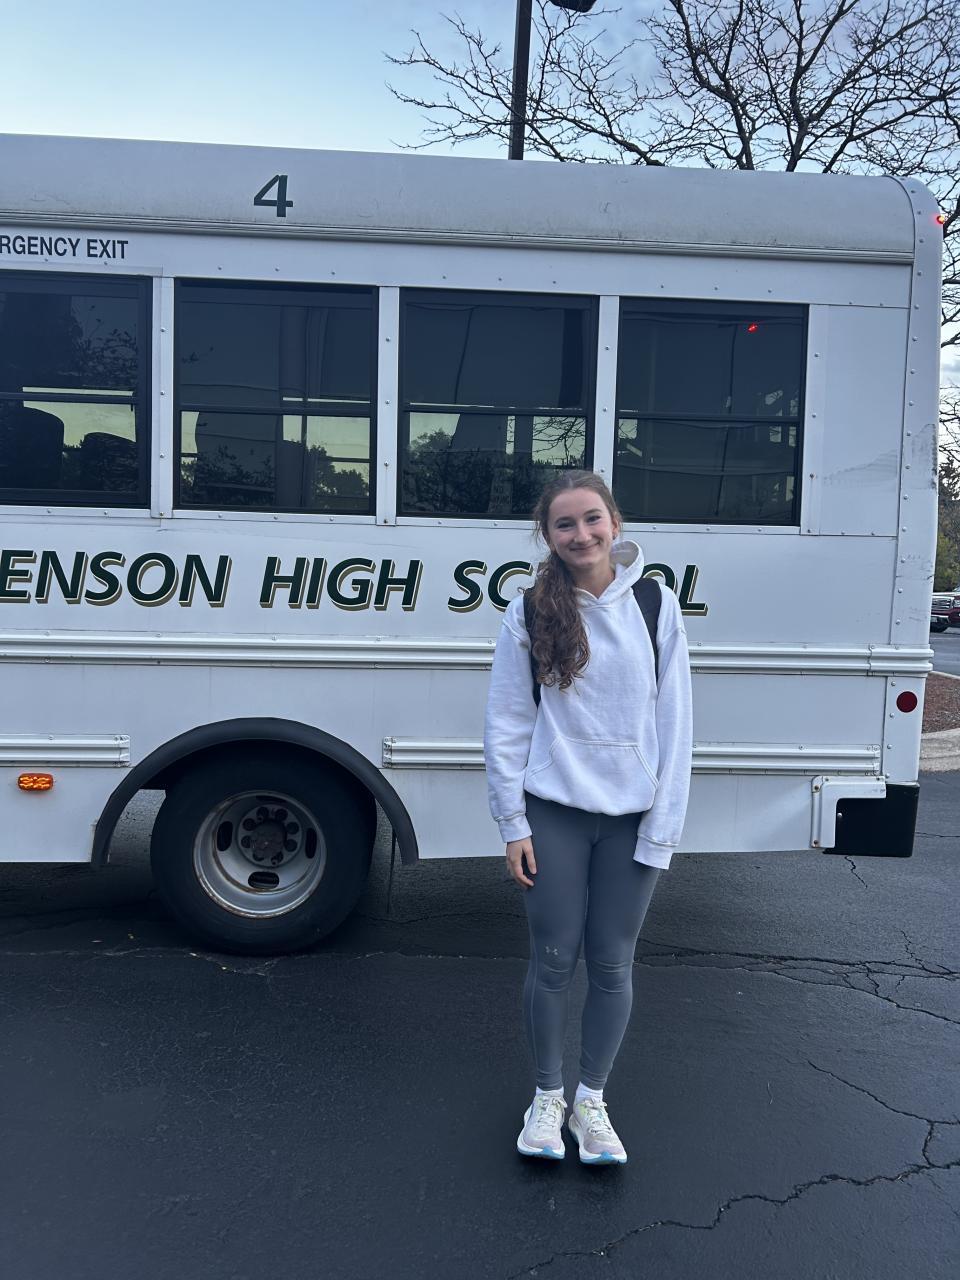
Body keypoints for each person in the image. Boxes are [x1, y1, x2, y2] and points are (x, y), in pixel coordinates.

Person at [483, 470, 692, 1165]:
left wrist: (663, 828)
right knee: (551, 961)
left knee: (611, 964)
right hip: (554, 813)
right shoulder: (529, 610)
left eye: (592, 518)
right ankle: (547, 1097)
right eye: (565, 524)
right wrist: (513, 823)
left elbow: (676, 725)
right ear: (548, 536)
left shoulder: (655, 605)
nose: (581, 534)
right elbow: (507, 722)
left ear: (615, 522)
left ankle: (590, 1101)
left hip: (632, 818)